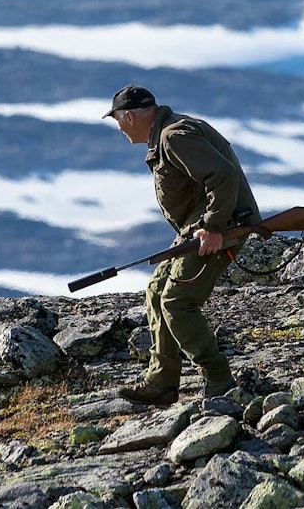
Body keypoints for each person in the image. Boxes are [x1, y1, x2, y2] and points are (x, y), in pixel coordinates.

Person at [104, 84, 261, 405]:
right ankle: (161, 383)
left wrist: (215, 227)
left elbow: (223, 176)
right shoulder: (170, 132)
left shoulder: (173, 136)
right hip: (198, 230)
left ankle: (219, 380)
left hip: (219, 229)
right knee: (157, 291)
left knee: (177, 302)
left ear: (130, 116)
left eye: (117, 120)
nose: (118, 128)